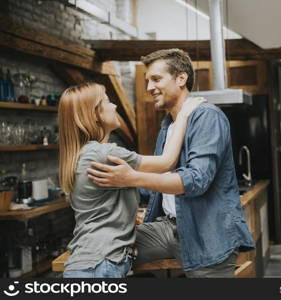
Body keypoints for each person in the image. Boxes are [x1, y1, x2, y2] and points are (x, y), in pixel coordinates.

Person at [87, 49, 255, 278]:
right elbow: (163, 174)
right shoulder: (169, 124)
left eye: (156, 79)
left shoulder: (206, 116)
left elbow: (196, 180)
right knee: (101, 248)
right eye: (147, 81)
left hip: (206, 232)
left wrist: (131, 177)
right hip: (167, 227)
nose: (149, 88)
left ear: (181, 78)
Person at [58, 82, 204, 278]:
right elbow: (167, 162)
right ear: (95, 115)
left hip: (87, 263)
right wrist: (183, 116)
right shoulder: (103, 153)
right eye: (108, 101)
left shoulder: (83, 154)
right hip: (101, 266)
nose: (115, 106)